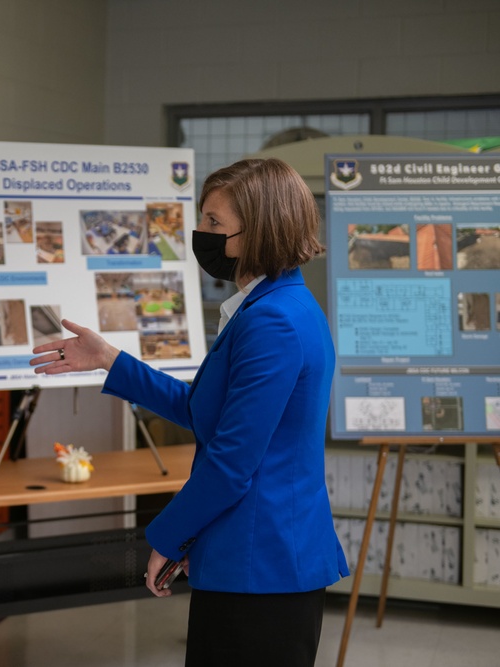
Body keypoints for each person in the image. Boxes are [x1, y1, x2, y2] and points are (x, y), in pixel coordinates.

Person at [31, 158, 349, 667]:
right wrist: (109, 360)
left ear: (258, 230)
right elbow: (208, 413)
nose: (200, 233)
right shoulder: (269, 306)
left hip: (260, 565)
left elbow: (231, 460)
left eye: (214, 223)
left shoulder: (274, 324)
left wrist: (168, 535)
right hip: (254, 558)